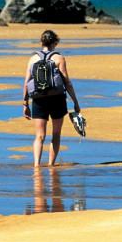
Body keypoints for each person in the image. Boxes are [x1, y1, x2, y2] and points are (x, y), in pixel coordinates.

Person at [23, 29, 81, 167]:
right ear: (54, 43)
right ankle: (51, 165)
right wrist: (75, 102)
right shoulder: (59, 58)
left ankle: (36, 165)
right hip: (57, 99)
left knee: (39, 136)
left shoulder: (32, 59)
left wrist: (25, 104)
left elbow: (26, 84)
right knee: (56, 134)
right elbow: (67, 82)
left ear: (41, 42)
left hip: (38, 99)